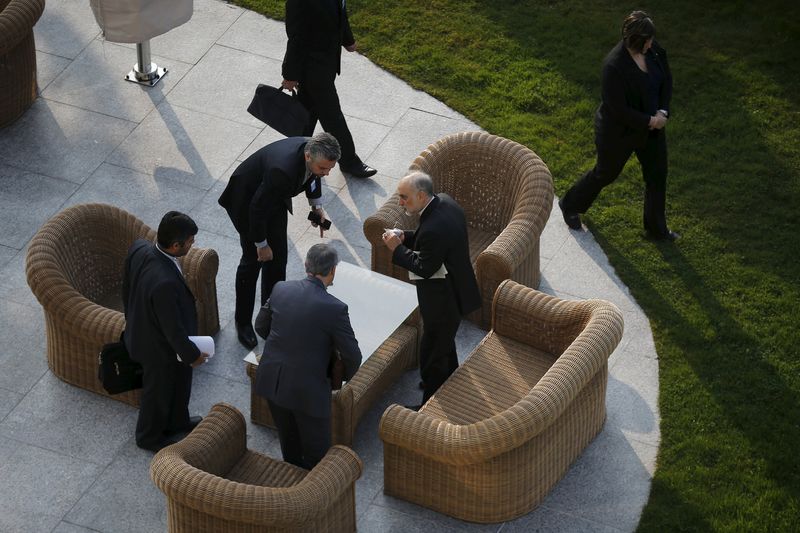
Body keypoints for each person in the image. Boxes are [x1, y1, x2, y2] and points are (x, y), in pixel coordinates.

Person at [559, 10, 677, 240]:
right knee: (606, 173)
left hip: (652, 129)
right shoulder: (614, 67)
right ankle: (570, 204)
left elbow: (666, 79)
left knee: (657, 174)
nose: (652, 43)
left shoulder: (653, 50)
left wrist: (663, 111)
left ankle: (656, 229)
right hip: (618, 132)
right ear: (636, 40)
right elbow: (618, 109)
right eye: (647, 40)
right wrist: (650, 120)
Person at [218, 132, 340, 350]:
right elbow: (256, 209)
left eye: (330, 168)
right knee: (251, 263)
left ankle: (271, 315)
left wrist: (316, 206)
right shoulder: (281, 171)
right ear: (307, 156)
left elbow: (314, 177)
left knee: (278, 261)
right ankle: (243, 322)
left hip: (272, 198)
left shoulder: (313, 153)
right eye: (324, 168)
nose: (327, 173)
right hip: (248, 202)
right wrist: (261, 245)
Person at [253, 244, 361, 469]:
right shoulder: (335, 309)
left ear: (306, 266)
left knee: (289, 444)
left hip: (273, 381)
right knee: (317, 456)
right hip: (308, 393)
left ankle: (292, 482)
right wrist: (338, 379)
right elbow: (353, 356)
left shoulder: (281, 289)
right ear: (332, 271)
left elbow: (261, 326)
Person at [381, 172, 481, 407]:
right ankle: (451, 378)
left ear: (422, 195)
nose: (400, 202)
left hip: (443, 301)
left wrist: (396, 249)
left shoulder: (434, 227)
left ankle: (428, 406)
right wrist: (404, 236)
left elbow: (424, 267)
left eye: (404, 197)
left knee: (431, 354)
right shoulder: (444, 203)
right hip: (456, 290)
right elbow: (430, 241)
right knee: (443, 345)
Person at [122, 211, 209, 452]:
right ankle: (148, 437)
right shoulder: (165, 284)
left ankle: (177, 421)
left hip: (145, 332)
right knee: (157, 392)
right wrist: (192, 356)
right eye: (190, 242)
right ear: (175, 245)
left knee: (179, 382)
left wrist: (131, 316)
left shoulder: (141, 248)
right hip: (157, 349)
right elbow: (173, 330)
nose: (192, 245)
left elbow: (127, 284)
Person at [281, 0, 377, 179]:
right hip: (312, 69)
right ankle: (349, 161)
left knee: (306, 115)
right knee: (332, 116)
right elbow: (296, 38)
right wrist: (290, 74)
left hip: (326, 63)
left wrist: (348, 40)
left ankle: (293, 156)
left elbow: (340, 12)